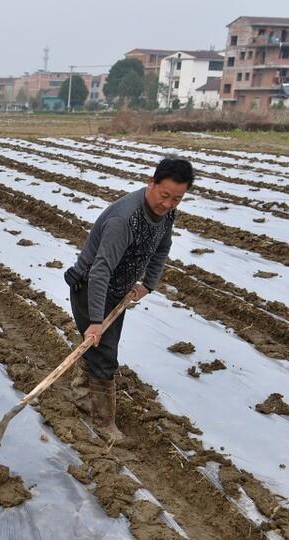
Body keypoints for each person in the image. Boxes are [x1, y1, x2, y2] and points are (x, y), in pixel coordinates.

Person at [63, 157, 195, 442]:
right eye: (164, 195)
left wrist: (148, 283)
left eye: (177, 199)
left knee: (100, 349)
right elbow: (100, 271)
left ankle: (81, 393)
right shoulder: (124, 220)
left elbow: (162, 247)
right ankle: (104, 423)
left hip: (118, 290)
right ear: (151, 183)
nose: (169, 204)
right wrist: (96, 321)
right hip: (91, 289)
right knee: (105, 354)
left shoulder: (166, 214)